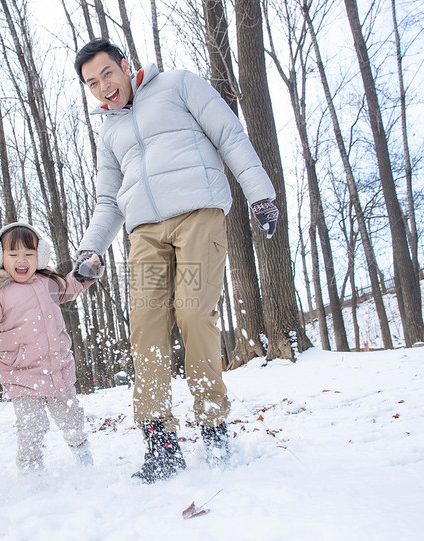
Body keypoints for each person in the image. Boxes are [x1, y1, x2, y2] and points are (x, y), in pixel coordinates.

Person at [73, 38, 280, 484]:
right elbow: (108, 199)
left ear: (126, 66)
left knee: (192, 313)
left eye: (107, 73)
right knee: (146, 323)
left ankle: (213, 424)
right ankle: (159, 441)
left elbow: (229, 134)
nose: (103, 87)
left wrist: (260, 194)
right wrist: (91, 249)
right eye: (92, 83)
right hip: (144, 232)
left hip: (198, 214)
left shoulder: (178, 85)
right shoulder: (109, 132)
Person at [0, 223, 101, 472]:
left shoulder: (47, 281)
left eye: (29, 254)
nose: (22, 260)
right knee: (32, 426)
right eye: (13, 254)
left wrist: (85, 273)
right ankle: (31, 473)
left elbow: (70, 288)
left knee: (71, 419)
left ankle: (83, 456)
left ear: (39, 256)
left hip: (58, 369)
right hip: (21, 374)